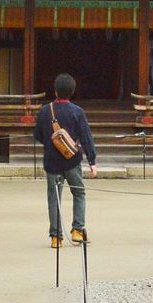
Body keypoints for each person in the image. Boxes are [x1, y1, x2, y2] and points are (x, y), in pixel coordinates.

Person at [35, 73, 98, 247]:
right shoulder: (77, 112)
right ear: (72, 92)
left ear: (55, 91)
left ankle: (56, 237)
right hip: (72, 161)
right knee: (78, 193)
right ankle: (77, 230)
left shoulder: (45, 110)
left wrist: (51, 144)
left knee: (54, 197)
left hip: (51, 162)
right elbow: (86, 137)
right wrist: (92, 161)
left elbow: (37, 134)